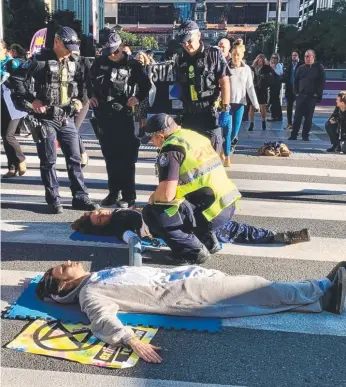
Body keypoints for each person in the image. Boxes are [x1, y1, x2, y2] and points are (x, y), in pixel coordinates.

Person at [36, 260, 346, 363]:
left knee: (258, 291)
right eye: (61, 269)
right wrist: (129, 340)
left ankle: (321, 302)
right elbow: (101, 318)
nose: (67, 262)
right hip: (186, 295)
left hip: (187, 278)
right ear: (63, 284)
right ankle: (320, 286)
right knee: (258, 289)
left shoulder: (97, 275)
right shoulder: (91, 292)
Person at [140, 114, 310, 264]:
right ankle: (271, 236)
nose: (153, 144)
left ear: (160, 136)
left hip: (207, 209)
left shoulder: (171, 148)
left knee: (153, 212)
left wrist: (153, 198)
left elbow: (167, 194)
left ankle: (192, 252)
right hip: (224, 203)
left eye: (152, 140)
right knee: (228, 228)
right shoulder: (193, 136)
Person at [9, 27, 99, 214]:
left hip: (66, 117)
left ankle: (80, 197)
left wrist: (79, 99)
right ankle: (54, 199)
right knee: (48, 160)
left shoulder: (75, 62)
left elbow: (83, 83)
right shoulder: (39, 61)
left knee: (74, 159)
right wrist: (32, 99)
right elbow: (16, 79)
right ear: (57, 42)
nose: (71, 50)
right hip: (45, 118)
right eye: (67, 46)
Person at [89, 33, 151, 208]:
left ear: (121, 47)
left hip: (123, 116)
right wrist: (91, 96)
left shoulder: (132, 64)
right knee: (110, 157)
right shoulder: (99, 62)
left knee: (126, 158)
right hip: (103, 115)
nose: (112, 55)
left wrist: (137, 98)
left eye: (115, 51)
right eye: (109, 52)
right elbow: (89, 82)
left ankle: (128, 195)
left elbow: (146, 85)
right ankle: (113, 193)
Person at [72, 208, 311, 246]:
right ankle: (280, 237)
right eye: (99, 218)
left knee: (225, 225)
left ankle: (277, 236)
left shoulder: (117, 212)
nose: (102, 214)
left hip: (171, 213)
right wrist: (136, 241)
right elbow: (127, 236)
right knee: (227, 228)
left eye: (98, 212)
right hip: (170, 225)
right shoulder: (116, 227)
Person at [174, 20, 231, 154]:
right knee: (190, 157)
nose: (187, 45)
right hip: (189, 115)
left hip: (209, 113)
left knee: (212, 157)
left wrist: (226, 108)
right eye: (183, 42)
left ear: (199, 36)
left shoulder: (213, 54)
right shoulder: (180, 59)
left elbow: (225, 81)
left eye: (189, 41)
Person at [220, 42, 259, 166]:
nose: (236, 57)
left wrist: (255, 104)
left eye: (238, 55)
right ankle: (227, 156)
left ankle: (224, 148)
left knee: (234, 133)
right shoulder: (226, 67)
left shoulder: (247, 69)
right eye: (234, 54)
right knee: (227, 130)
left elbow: (250, 87)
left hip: (240, 104)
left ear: (242, 55)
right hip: (227, 104)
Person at [1, 40, 27, 178]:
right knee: (4, 137)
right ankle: (12, 167)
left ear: (6, 50)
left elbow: (20, 81)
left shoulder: (13, 63)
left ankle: (21, 158)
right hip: (2, 105)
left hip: (14, 105)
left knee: (8, 135)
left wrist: (6, 78)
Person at [288, 50, 325, 141]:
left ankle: (305, 135)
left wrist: (317, 94)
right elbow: (295, 81)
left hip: (312, 96)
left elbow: (322, 82)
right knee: (297, 117)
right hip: (301, 96)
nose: (307, 58)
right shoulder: (301, 68)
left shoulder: (319, 68)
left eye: (309, 56)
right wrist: (296, 93)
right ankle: (294, 135)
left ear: (313, 57)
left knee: (308, 118)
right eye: (305, 56)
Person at [248, 54, 273, 131]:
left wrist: (265, 79)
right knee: (251, 106)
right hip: (254, 88)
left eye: (261, 60)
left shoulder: (267, 68)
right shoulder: (252, 68)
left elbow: (270, 77)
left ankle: (263, 121)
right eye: (259, 60)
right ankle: (251, 123)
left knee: (263, 106)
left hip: (262, 88)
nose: (260, 62)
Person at [284, 51, 303, 130]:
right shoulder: (289, 65)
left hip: (298, 88)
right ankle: (289, 123)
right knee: (289, 106)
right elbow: (286, 76)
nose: (294, 57)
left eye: (295, 55)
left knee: (299, 107)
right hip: (290, 88)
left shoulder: (302, 65)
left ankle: (297, 123)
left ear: (298, 56)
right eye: (293, 55)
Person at [135, 52, 151, 134]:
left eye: (140, 58)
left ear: (144, 59)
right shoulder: (134, 67)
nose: (139, 60)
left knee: (143, 112)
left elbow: (148, 78)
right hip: (136, 91)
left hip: (144, 91)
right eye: (137, 58)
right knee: (138, 112)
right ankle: (140, 129)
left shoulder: (147, 67)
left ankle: (144, 129)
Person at [268, 52, 283, 122]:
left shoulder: (278, 65)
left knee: (275, 100)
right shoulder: (270, 65)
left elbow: (279, 73)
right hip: (271, 84)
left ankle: (277, 116)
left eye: (275, 58)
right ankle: (274, 115)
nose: (273, 59)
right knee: (273, 99)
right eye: (272, 58)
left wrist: (273, 68)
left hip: (276, 85)